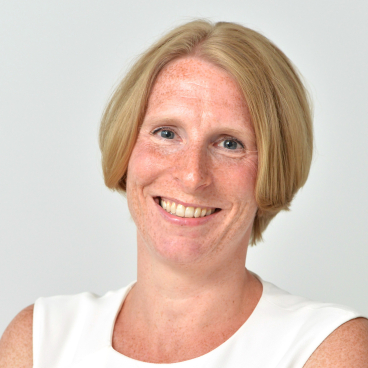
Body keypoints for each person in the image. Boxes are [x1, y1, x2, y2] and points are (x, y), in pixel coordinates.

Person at [1, 20, 367, 368]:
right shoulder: (39, 342)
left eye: (229, 143)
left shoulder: (325, 350)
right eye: (166, 134)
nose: (192, 176)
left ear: (275, 167)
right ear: (126, 147)